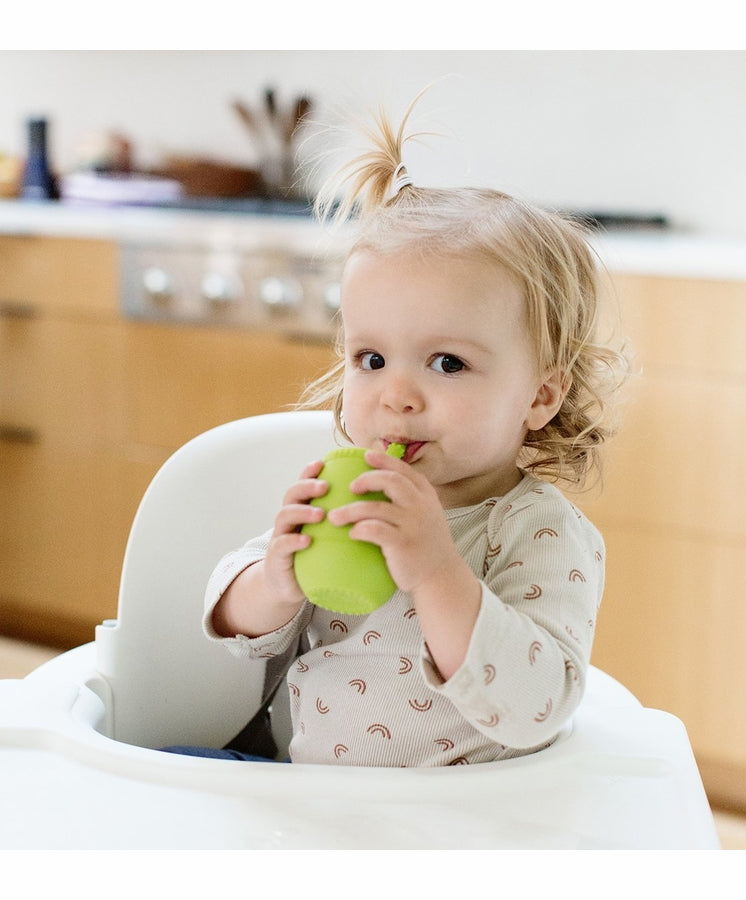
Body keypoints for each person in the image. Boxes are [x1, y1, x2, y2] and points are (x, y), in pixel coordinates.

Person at [174, 93, 628, 766]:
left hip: (454, 825)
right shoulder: (349, 491)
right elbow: (234, 629)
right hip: (302, 799)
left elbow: (537, 704)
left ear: (539, 395)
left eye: (447, 362)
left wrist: (437, 569)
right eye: (372, 359)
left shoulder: (533, 531)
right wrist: (274, 580)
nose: (397, 396)